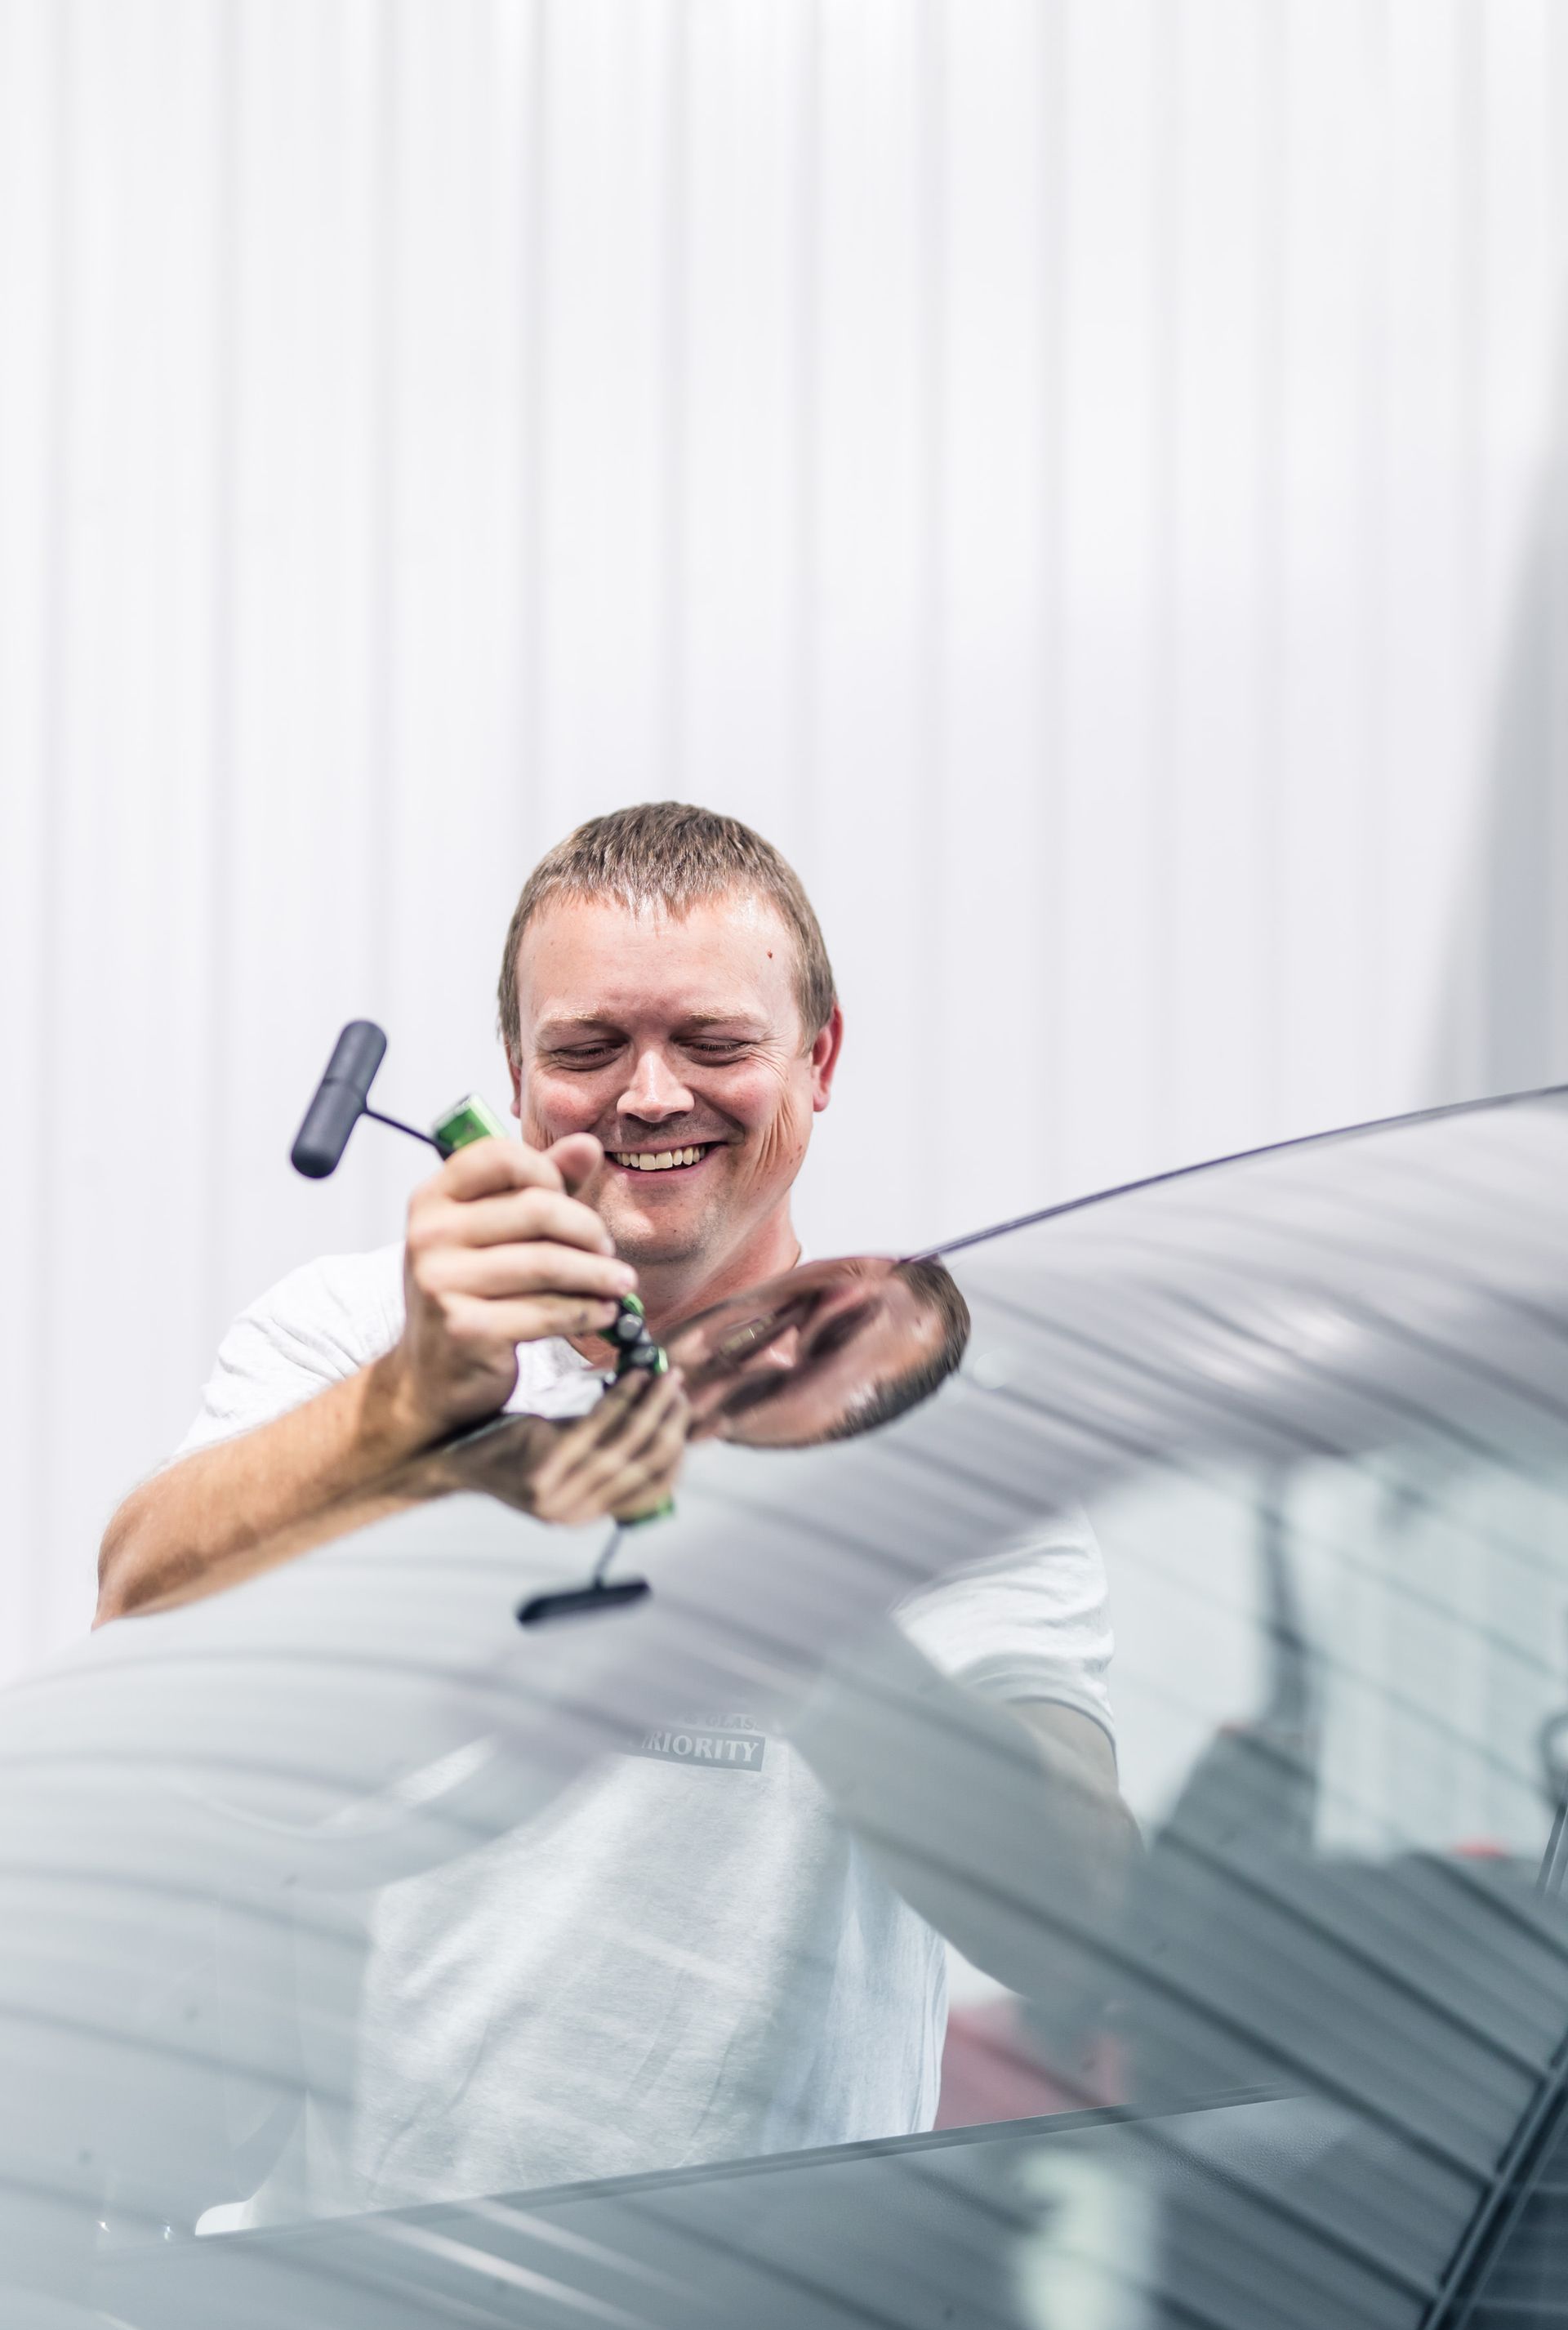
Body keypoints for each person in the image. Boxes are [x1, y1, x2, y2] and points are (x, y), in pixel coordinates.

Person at [96, 803, 1134, 2215]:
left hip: (767, 2300)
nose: (650, 1097)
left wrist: (740, 1524)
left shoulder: (940, 1403)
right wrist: (414, 1401)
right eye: (588, 1049)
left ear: (819, 1059)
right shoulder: (348, 1337)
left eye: (714, 1044)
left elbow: (1074, 1907)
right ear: (516, 1078)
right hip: (352, 2297)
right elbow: (132, 1618)